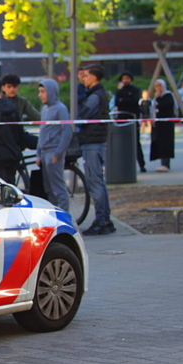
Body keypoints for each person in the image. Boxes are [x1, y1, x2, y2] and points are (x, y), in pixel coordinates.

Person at [79, 65, 114, 236]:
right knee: (99, 182)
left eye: (85, 76)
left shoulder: (94, 97)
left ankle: (101, 221)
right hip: (97, 141)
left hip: (92, 142)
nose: (83, 79)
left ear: (94, 77)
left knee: (95, 182)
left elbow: (83, 117)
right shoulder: (100, 94)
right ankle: (106, 220)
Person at [36, 79, 72, 212]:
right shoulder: (44, 109)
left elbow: (67, 132)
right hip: (44, 153)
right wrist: (38, 153)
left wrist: (58, 153)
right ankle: (54, 215)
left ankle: (65, 218)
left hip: (53, 153)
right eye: (39, 92)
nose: (40, 95)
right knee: (49, 189)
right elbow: (42, 131)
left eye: (43, 91)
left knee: (58, 188)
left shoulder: (60, 109)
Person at [114, 71, 145, 173]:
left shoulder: (135, 90)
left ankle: (141, 164)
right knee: (121, 143)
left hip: (133, 118)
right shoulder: (119, 91)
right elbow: (117, 102)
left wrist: (125, 99)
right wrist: (125, 97)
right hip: (121, 118)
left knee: (136, 142)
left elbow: (134, 101)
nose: (125, 80)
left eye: (127, 78)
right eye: (123, 79)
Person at [150, 79, 176, 172]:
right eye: (156, 86)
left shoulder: (168, 95)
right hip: (158, 124)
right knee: (159, 143)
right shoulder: (156, 97)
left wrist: (158, 99)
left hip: (166, 124)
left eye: (160, 85)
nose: (158, 88)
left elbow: (166, 106)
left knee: (166, 143)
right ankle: (162, 162)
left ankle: (166, 164)